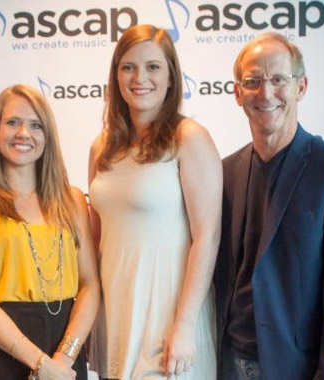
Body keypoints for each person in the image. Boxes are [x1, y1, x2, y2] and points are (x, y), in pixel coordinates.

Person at [215, 32, 324, 380]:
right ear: (237, 92)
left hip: (295, 370)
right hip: (226, 363)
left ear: (301, 87)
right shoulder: (224, 172)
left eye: (278, 80)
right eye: (253, 81)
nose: (266, 92)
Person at [88, 24, 222, 379]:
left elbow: (206, 238)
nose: (139, 78)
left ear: (171, 77)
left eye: (152, 67)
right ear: (116, 75)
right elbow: (96, 239)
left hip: (167, 321)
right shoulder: (102, 147)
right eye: (127, 66)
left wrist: (185, 325)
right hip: (115, 316)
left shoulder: (189, 138)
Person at [0, 84, 100, 380]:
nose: (23, 133)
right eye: (12, 122)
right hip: (3, 353)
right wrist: (40, 364)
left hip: (65, 357)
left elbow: (90, 286)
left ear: (48, 136)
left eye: (35, 125)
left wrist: (63, 358)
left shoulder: (72, 199)